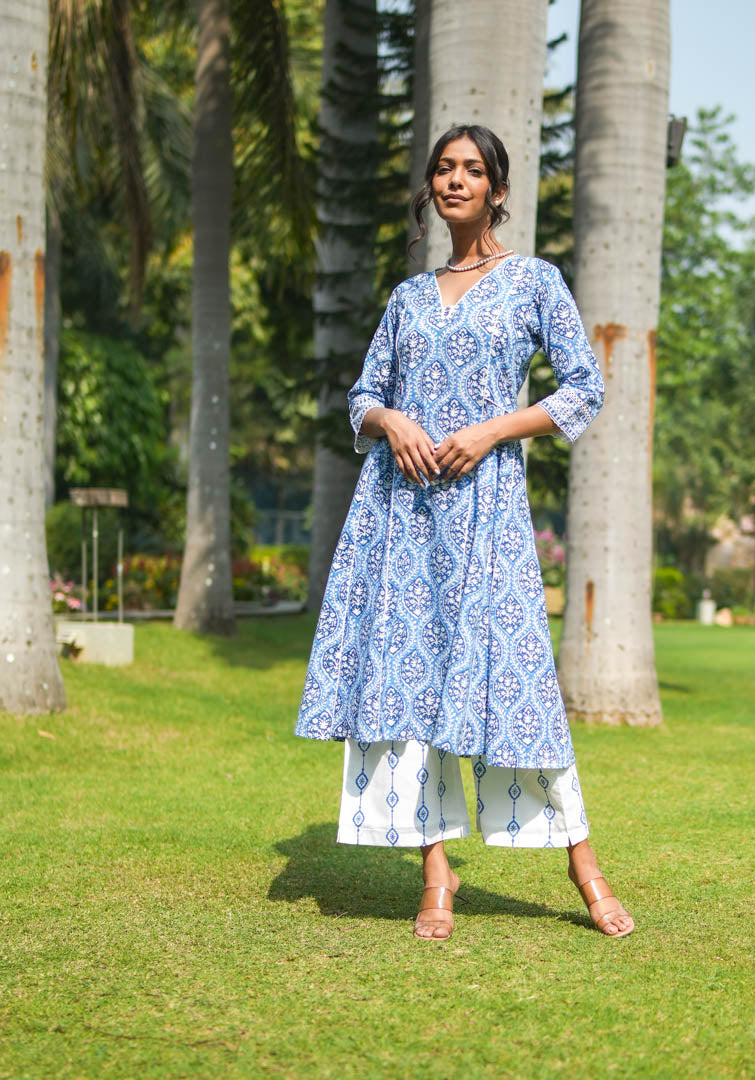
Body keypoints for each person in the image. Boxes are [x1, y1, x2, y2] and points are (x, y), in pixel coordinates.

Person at [296, 123, 634, 941]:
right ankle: (436, 880)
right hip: (401, 518)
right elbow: (360, 396)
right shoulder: (408, 297)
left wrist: (491, 431)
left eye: (472, 170)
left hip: (487, 516)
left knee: (516, 684)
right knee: (414, 685)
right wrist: (392, 419)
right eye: (443, 169)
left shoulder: (533, 282)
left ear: (498, 190)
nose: (454, 181)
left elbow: (583, 388)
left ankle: (585, 867)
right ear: (430, 188)